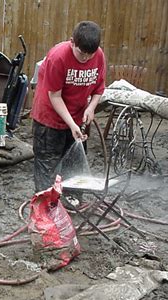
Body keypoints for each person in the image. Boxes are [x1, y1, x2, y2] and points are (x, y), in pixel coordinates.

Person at [31, 21, 106, 193]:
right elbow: (55, 96)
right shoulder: (58, 57)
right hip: (49, 119)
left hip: (77, 117)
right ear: (72, 42)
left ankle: (72, 201)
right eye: (81, 53)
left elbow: (99, 88)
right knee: (48, 165)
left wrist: (91, 107)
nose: (86, 58)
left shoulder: (98, 56)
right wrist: (72, 124)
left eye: (90, 54)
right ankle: (46, 207)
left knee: (74, 163)